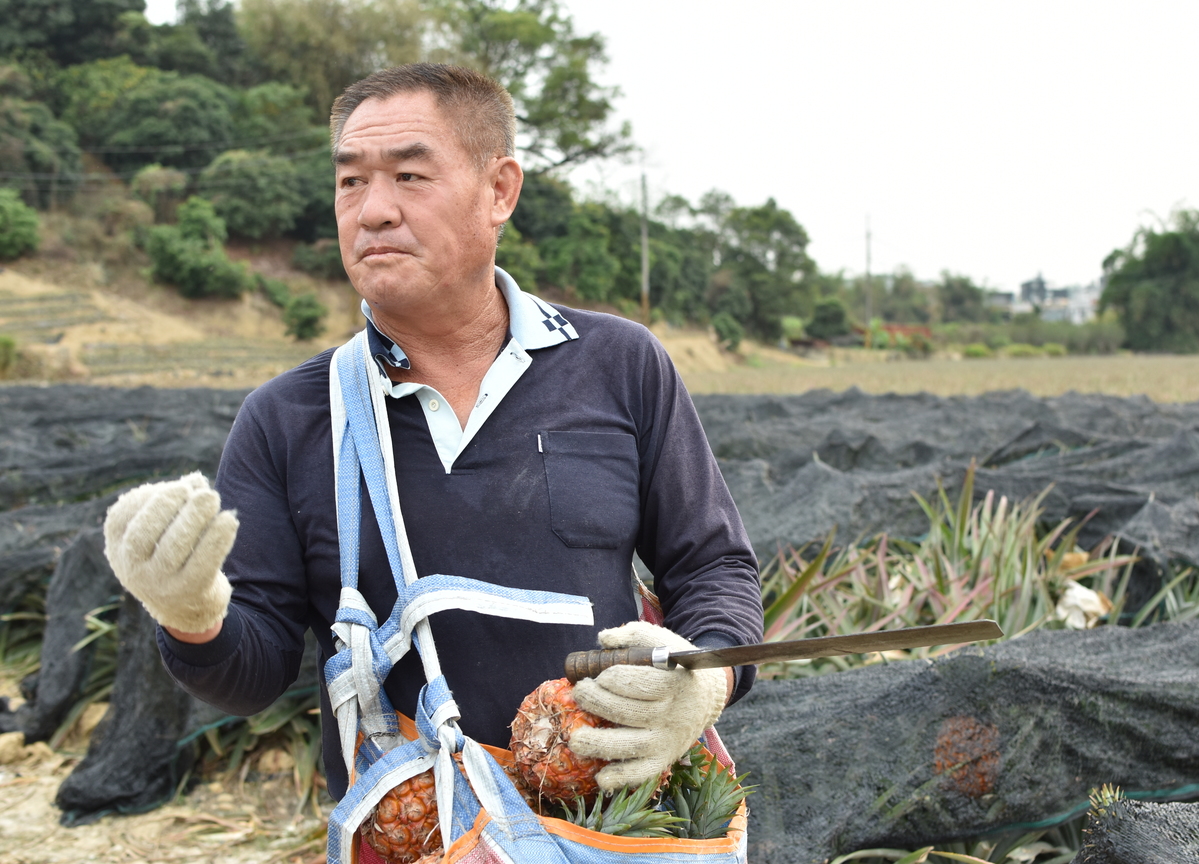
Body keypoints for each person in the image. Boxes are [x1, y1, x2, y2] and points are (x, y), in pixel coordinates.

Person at [101, 63, 764, 808]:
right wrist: (193, 617)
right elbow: (252, 676)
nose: (372, 210)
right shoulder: (288, 418)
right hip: (412, 834)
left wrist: (707, 673)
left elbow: (712, 566)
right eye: (350, 181)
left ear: (499, 191)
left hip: (613, 816)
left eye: (410, 175)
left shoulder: (617, 363)